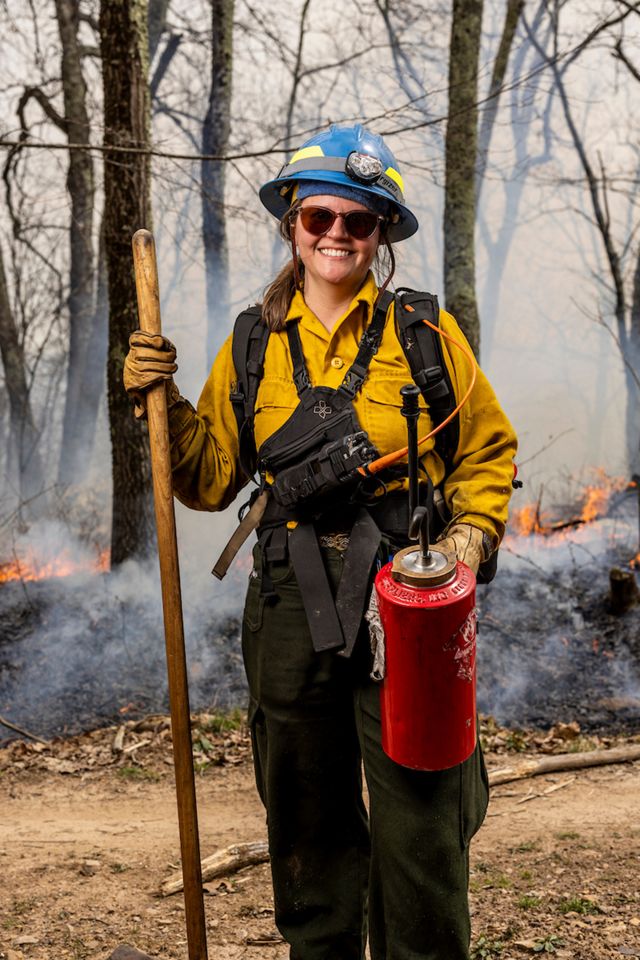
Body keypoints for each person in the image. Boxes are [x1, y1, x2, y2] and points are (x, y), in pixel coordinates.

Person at [124, 123, 517, 960]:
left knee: (423, 823)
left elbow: (486, 449)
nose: (337, 232)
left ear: (382, 234)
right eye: (320, 217)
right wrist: (159, 402)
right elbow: (204, 478)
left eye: (360, 220)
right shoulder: (252, 344)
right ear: (291, 223)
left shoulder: (425, 336)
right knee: (306, 823)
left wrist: (470, 541)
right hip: (288, 603)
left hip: (405, 600)